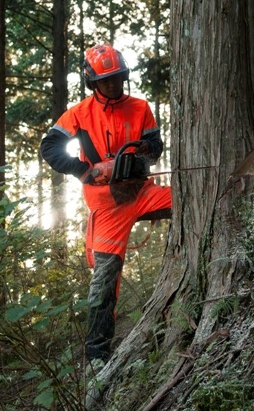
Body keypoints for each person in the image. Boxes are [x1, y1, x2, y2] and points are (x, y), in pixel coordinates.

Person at [40, 43, 172, 369]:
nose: (113, 85)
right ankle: (98, 358)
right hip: (106, 206)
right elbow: (50, 147)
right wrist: (84, 170)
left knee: (190, 200)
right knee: (104, 281)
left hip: (142, 191)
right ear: (92, 80)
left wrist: (143, 149)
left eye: (118, 78)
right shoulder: (79, 114)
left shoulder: (140, 107)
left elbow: (155, 146)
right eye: (106, 80)